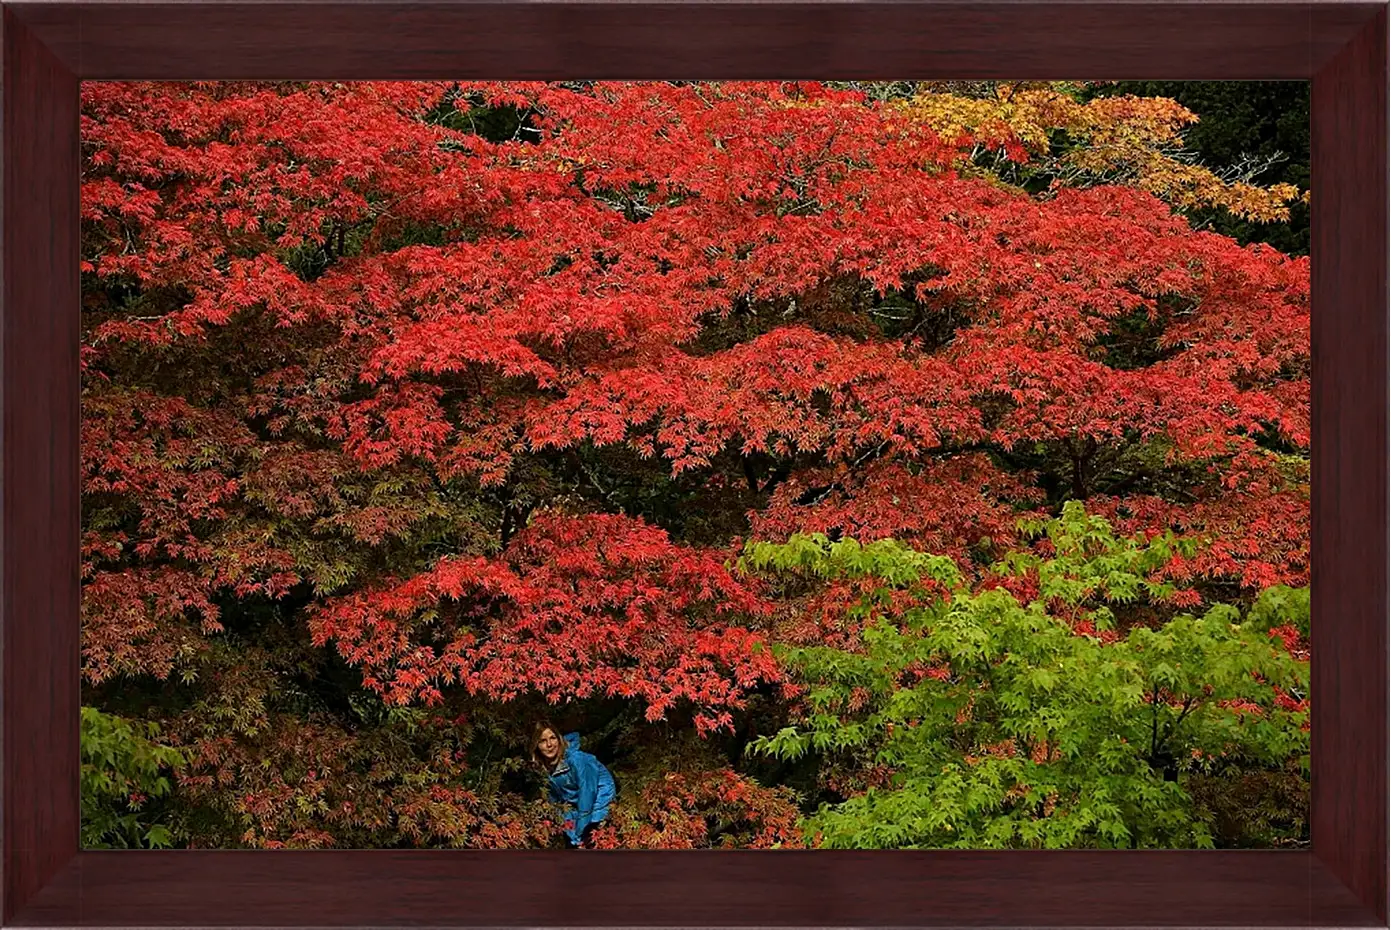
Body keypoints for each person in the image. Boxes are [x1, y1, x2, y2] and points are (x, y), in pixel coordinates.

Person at [533, 723, 616, 848]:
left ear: (559, 739)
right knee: (571, 843)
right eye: (543, 741)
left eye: (553, 738)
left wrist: (579, 832)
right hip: (575, 805)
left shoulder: (579, 760)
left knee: (587, 842)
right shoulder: (544, 768)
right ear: (537, 746)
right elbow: (556, 802)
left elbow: (588, 793)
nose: (549, 744)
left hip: (598, 802)